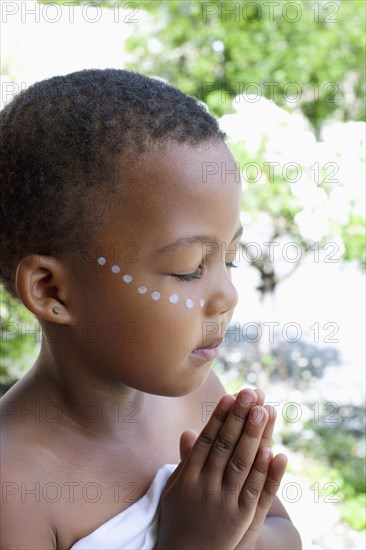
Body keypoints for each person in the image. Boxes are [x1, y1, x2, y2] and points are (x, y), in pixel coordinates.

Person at [0, 69, 301, 549]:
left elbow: (284, 535)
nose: (227, 295)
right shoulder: (15, 485)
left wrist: (235, 532)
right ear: (52, 291)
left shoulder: (197, 402)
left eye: (229, 259)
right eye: (187, 270)